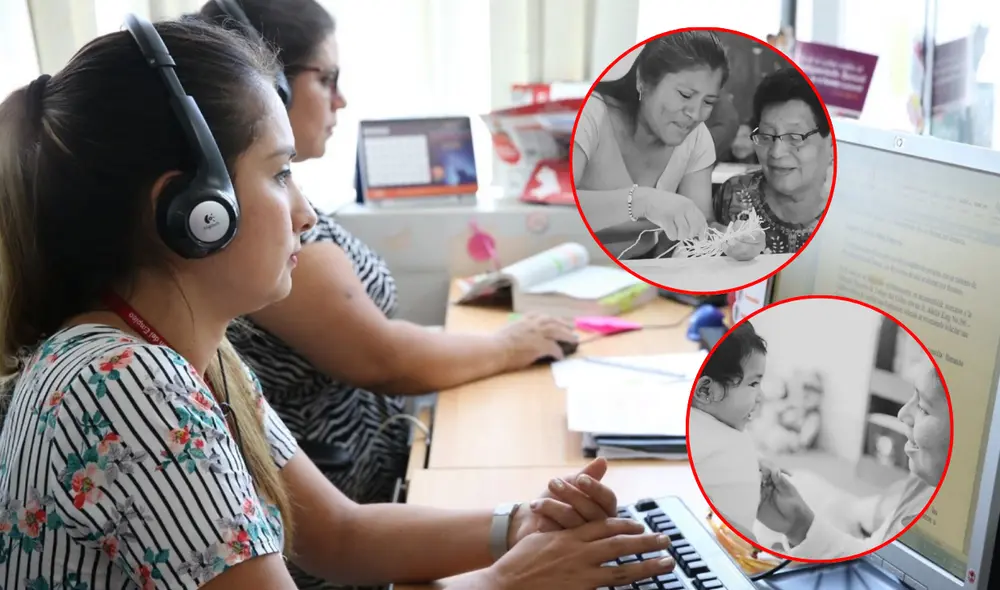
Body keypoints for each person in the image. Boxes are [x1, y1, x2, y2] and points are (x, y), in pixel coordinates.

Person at [0, 16, 676, 590]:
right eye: (280, 173)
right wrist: (509, 581)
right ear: (193, 211)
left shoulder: (185, 354)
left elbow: (338, 533)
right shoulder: (125, 386)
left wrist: (520, 524)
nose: (303, 214)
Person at [196, 0, 575, 514]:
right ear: (269, 85)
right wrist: (509, 346)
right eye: (327, 78)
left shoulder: (288, 205)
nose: (342, 99)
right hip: (339, 519)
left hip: (366, 501)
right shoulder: (253, 233)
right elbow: (381, 359)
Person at [757, 362, 950, 559]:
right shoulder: (921, 481)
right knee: (804, 481)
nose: (902, 414)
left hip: (858, 517)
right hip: (864, 512)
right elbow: (873, 551)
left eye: (924, 408)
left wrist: (800, 525)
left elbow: (870, 560)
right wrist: (798, 524)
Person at [572, 31, 729, 260]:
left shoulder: (696, 137)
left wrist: (731, 240)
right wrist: (641, 201)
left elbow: (700, 225)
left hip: (645, 272)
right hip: (573, 265)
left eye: (708, 102)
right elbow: (557, 213)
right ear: (642, 81)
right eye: (685, 95)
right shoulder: (589, 115)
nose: (695, 114)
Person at [712, 67, 833, 256]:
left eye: (794, 136)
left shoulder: (846, 217)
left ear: (831, 143)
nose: (776, 152)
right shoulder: (734, 194)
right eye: (766, 135)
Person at [689, 322, 768, 540]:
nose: (762, 396)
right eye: (753, 384)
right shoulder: (730, 445)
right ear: (705, 390)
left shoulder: (704, 428)